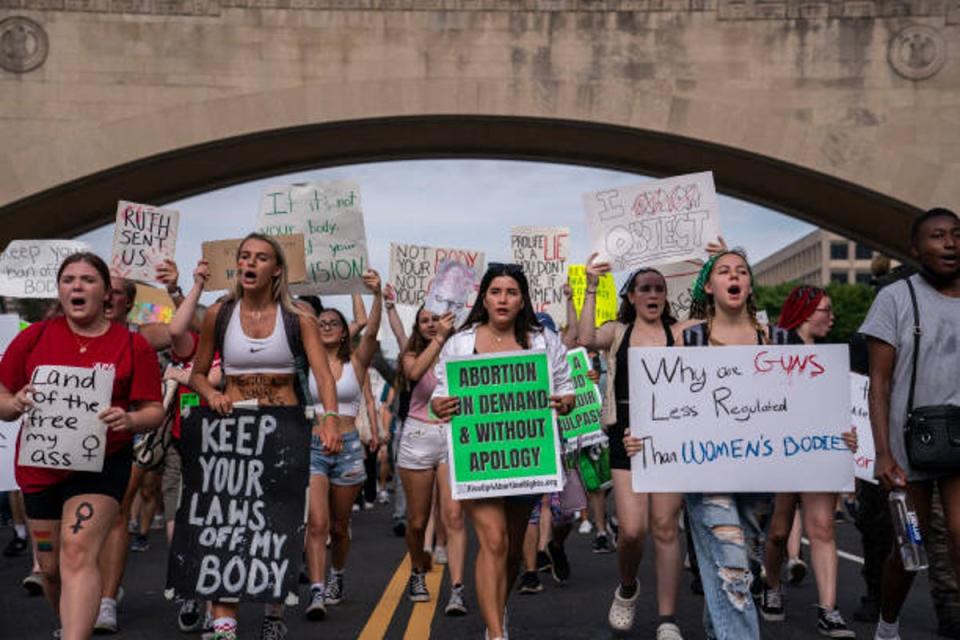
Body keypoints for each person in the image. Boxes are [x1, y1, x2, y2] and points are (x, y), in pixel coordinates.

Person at [0, 252, 164, 640]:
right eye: (69, 279)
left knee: (77, 550)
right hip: (40, 470)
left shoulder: (131, 345)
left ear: (106, 292)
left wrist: (130, 419)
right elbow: (3, 399)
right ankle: (71, 624)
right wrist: (16, 403)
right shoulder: (34, 337)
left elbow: (153, 410)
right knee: (51, 565)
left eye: (88, 280)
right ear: (59, 289)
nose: (77, 286)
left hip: (102, 464)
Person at [189, 233, 341, 640]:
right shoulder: (220, 313)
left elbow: (323, 375)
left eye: (260, 258)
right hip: (233, 435)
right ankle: (224, 625)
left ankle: (273, 612)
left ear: (276, 269)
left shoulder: (298, 319)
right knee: (228, 527)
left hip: (283, 434)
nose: (250, 263)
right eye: (244, 257)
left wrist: (329, 419)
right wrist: (212, 394)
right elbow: (198, 374)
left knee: (274, 528)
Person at [431, 263, 575, 640]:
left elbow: (566, 384)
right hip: (477, 460)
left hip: (526, 459)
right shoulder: (460, 342)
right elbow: (441, 390)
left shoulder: (543, 340)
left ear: (522, 299)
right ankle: (496, 633)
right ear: (484, 297)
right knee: (492, 540)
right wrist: (438, 405)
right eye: (496, 292)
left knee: (510, 551)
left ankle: (499, 607)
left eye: (511, 292)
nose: (503, 299)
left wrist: (566, 400)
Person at [859, 208, 960, 640]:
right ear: (916, 249)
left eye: (957, 234)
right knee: (909, 548)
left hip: (959, 442)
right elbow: (878, 383)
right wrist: (882, 452)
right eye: (937, 236)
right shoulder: (896, 298)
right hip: (907, 448)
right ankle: (888, 624)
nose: (950, 243)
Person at [578, 253, 685, 640]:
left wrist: (715, 264)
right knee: (634, 530)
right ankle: (627, 586)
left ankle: (668, 618)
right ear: (633, 296)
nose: (653, 293)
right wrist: (590, 285)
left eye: (659, 288)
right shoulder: (618, 332)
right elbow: (585, 338)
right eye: (645, 288)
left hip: (670, 439)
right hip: (626, 438)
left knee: (666, 527)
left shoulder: (681, 333)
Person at [759, 284, 858, 638]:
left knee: (822, 528)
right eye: (825, 310)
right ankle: (771, 586)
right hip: (784, 451)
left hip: (820, 451)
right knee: (780, 530)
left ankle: (829, 610)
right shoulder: (775, 346)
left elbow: (844, 408)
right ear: (805, 312)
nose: (831, 317)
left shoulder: (831, 358)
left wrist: (851, 436)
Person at [303, 271, 383, 620]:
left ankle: (337, 575)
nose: (327, 325)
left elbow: (371, 328)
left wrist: (374, 294)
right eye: (321, 322)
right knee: (317, 523)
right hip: (313, 446)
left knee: (339, 525)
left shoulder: (357, 362)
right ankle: (317, 591)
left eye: (334, 322)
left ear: (344, 330)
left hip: (349, 447)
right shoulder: (304, 362)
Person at [386, 296, 470, 614]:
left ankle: (458, 589)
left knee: (453, 516)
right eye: (425, 320)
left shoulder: (460, 350)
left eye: (437, 318)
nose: (432, 323)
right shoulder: (411, 355)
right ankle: (417, 572)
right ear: (418, 327)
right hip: (418, 438)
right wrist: (439, 338)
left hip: (452, 436)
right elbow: (415, 374)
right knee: (418, 521)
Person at [161, 258, 222, 632]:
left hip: (220, 448)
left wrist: (181, 375)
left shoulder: (230, 352)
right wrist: (189, 286)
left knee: (214, 526)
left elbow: (211, 381)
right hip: (181, 447)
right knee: (177, 526)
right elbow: (175, 328)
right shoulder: (190, 345)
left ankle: (215, 599)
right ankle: (190, 587)